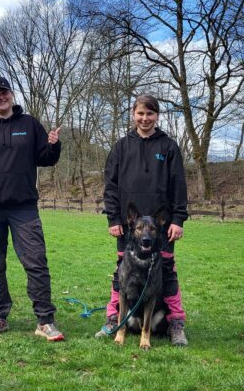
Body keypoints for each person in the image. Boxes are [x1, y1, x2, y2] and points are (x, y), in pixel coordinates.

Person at [0, 76, 65, 342]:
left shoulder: (29, 124)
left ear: (11, 94)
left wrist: (53, 145)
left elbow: (45, 159)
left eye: (4, 92)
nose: (1, 97)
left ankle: (45, 320)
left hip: (23, 207)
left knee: (36, 262)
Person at [95, 94, 189, 346]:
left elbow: (179, 186)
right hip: (130, 227)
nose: (145, 118)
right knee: (121, 274)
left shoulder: (168, 147)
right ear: (133, 114)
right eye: (140, 113)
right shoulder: (121, 146)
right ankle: (114, 319)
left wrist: (178, 219)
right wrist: (114, 218)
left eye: (150, 113)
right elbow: (110, 186)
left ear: (157, 115)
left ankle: (175, 323)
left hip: (161, 227)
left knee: (167, 273)